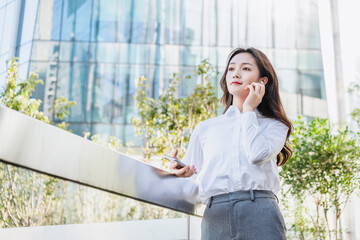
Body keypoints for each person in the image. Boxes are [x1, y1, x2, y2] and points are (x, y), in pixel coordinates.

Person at [169, 47, 293, 240]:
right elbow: (189, 176)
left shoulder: (274, 125)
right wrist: (177, 171)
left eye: (245, 68)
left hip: (260, 212)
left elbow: (258, 154)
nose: (235, 73)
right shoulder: (206, 128)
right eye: (231, 68)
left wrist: (249, 109)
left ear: (262, 80)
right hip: (215, 215)